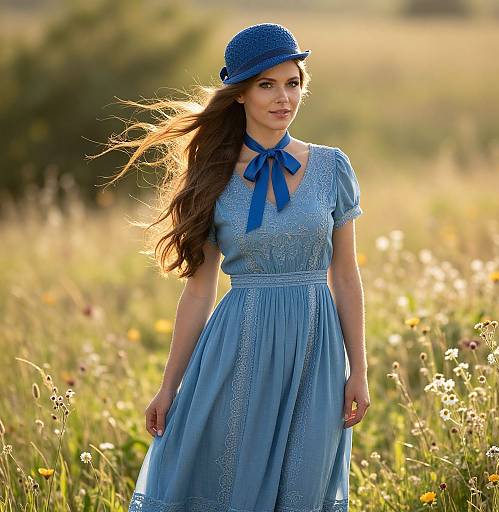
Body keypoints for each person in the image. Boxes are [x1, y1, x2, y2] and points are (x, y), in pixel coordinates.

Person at [94, 21, 370, 512]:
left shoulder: (333, 167)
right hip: (238, 347)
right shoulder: (213, 176)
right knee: (230, 484)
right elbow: (199, 292)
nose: (283, 98)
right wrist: (168, 386)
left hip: (317, 347)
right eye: (267, 84)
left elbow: (345, 275)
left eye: (293, 83)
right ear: (240, 94)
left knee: (304, 490)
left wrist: (359, 369)